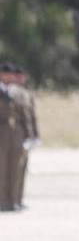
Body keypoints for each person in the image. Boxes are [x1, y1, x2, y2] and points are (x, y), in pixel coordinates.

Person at [0, 61, 33, 213]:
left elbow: (26, 115)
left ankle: (13, 201)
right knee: (2, 168)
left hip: (16, 133)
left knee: (15, 168)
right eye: (5, 74)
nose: (8, 77)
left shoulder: (18, 92)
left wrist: (29, 136)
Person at [11, 65, 37, 211]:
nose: (21, 79)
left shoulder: (26, 94)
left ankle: (17, 199)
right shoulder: (9, 93)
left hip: (21, 134)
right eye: (18, 76)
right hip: (10, 134)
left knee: (21, 169)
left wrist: (33, 136)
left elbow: (31, 117)